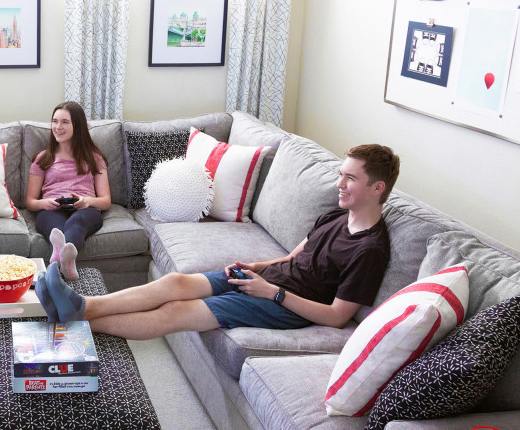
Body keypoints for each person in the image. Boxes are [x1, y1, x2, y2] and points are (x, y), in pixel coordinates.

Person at [36, 144, 400, 339]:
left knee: (176, 313)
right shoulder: (337, 215)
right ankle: (79, 305)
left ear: (377, 188)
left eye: (350, 178)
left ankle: (77, 316)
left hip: (284, 306)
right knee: (175, 282)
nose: (339, 184)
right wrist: (257, 269)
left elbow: (337, 317)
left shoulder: (369, 249)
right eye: (340, 175)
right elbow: (294, 257)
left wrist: (271, 293)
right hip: (266, 282)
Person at [25, 101, 111, 281]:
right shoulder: (43, 159)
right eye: (55, 121)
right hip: (51, 209)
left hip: (85, 209)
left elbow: (105, 200)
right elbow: (30, 202)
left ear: (77, 126)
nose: (58, 127)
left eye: (65, 122)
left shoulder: (94, 158)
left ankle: (59, 261)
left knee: (77, 222)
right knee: (56, 230)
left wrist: (87, 201)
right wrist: (45, 203)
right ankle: (67, 266)